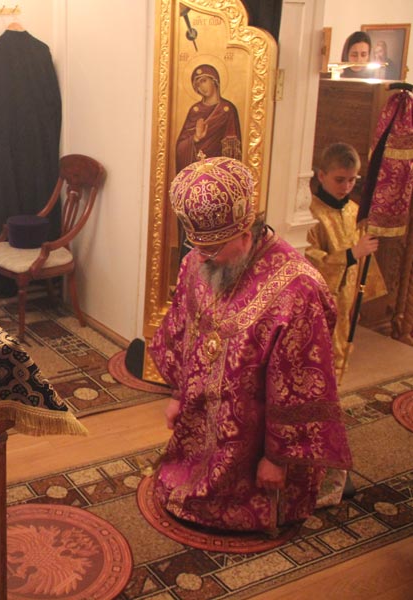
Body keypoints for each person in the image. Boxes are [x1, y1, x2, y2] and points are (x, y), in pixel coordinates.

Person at [150, 157, 352, 533]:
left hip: (257, 440)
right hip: (201, 422)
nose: (202, 257)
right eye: (198, 246)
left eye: (213, 249)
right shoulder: (198, 262)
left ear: (245, 232)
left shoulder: (296, 290)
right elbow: (183, 333)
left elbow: (300, 385)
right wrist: (178, 394)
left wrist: (277, 457)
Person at [306, 143, 385, 381]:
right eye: (339, 180)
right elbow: (309, 259)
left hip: (348, 294)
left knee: (342, 341)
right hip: (324, 298)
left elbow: (362, 256)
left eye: (352, 180)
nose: (346, 187)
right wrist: (351, 254)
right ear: (321, 175)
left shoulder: (355, 211)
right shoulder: (310, 213)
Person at [175, 64, 242, 174]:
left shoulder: (227, 110)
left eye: (203, 81)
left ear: (214, 80)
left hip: (219, 172)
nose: (201, 87)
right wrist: (196, 138)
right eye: (197, 85)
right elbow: (180, 147)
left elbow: (233, 149)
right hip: (196, 171)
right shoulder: (195, 111)